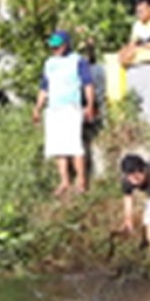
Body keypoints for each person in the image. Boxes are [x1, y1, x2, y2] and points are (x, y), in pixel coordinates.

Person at [32, 31, 96, 196]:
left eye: (57, 46)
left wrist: (89, 105)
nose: (54, 49)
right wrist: (37, 108)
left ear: (66, 44)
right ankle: (64, 181)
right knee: (58, 147)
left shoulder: (77, 61)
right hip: (54, 109)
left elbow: (87, 84)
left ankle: (81, 182)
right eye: (52, 46)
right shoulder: (49, 63)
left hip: (71, 108)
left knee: (75, 146)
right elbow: (44, 88)